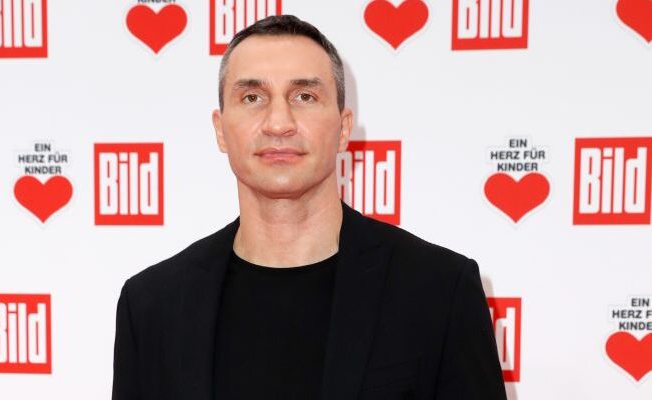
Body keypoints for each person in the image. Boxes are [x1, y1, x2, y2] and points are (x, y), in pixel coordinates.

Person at [112, 14, 507, 400]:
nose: (278, 123)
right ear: (220, 130)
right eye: (252, 97)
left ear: (343, 128)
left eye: (304, 96)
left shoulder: (440, 290)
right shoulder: (151, 305)